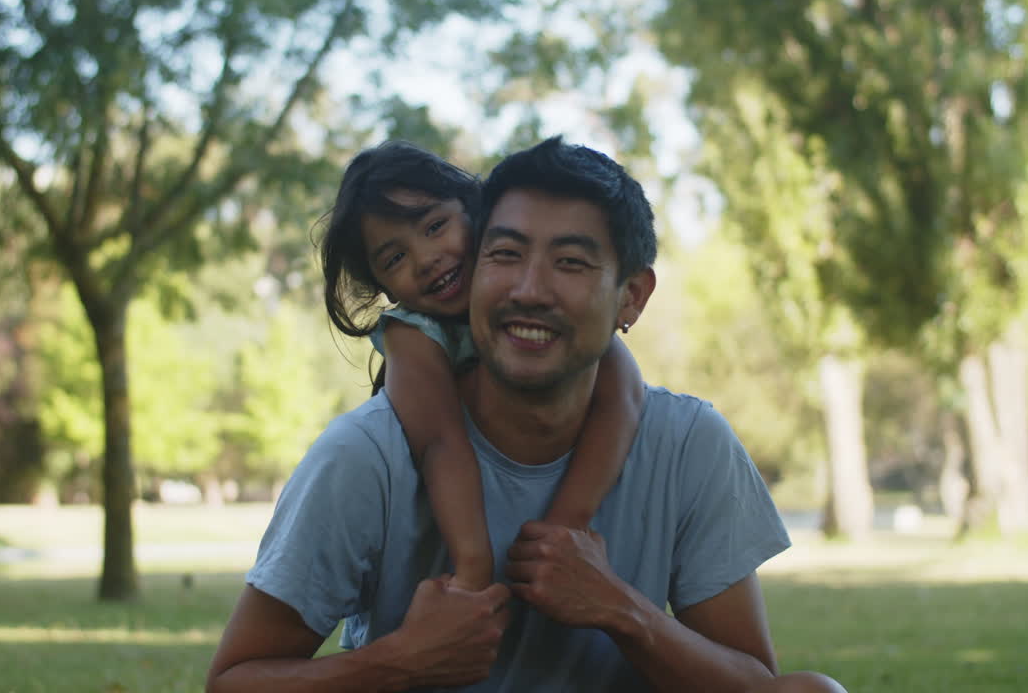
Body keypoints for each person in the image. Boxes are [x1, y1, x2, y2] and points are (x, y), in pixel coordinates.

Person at [207, 138, 847, 693]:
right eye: (507, 254)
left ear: (631, 296)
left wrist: (619, 608)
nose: (529, 290)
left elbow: (753, 684)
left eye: (570, 263)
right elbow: (232, 681)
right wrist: (400, 662)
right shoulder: (366, 453)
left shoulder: (687, 443)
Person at [312, 141, 644, 592]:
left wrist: (565, 526)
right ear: (383, 287)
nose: (426, 259)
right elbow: (440, 444)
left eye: (435, 226)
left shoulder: (549, 314)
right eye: (395, 258)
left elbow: (623, 395)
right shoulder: (413, 334)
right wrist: (473, 567)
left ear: (474, 212)